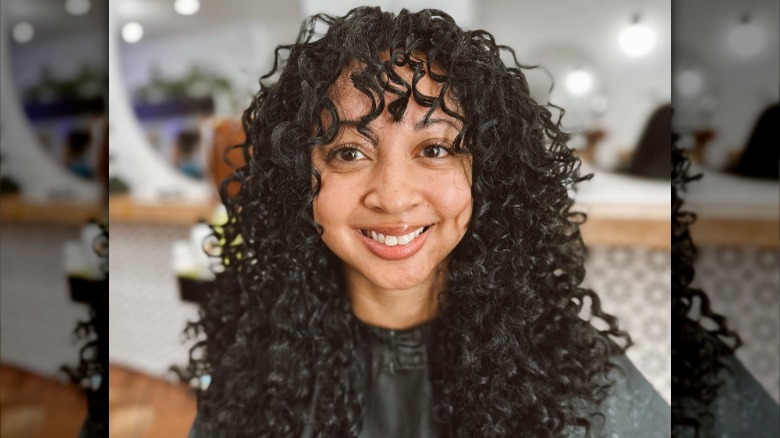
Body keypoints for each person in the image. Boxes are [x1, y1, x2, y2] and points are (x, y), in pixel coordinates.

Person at [189, 7, 669, 437]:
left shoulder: (582, 376)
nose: (394, 197)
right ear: (297, 178)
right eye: (350, 152)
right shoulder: (252, 368)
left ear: (489, 173)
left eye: (435, 149)